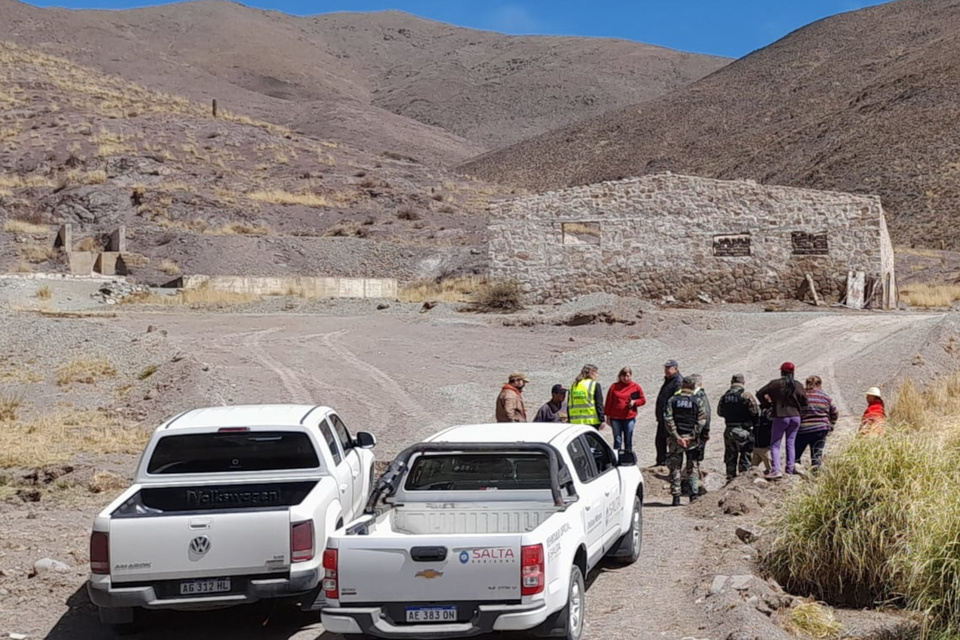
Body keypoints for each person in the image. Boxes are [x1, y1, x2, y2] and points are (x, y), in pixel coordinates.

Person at [756, 362, 808, 479]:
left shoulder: (775, 384)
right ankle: (789, 469)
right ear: (793, 372)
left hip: (780, 416)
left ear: (782, 372)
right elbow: (805, 401)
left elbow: (760, 393)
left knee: (775, 445)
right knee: (790, 443)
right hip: (795, 417)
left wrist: (767, 404)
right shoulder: (798, 385)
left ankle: (776, 470)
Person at [664, 376, 708, 506]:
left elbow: (668, 419)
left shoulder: (672, 400)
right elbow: (701, 421)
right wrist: (691, 437)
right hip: (691, 441)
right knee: (692, 467)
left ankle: (676, 497)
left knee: (675, 468)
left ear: (683, 385)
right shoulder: (697, 401)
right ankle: (693, 495)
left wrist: (676, 436)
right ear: (693, 386)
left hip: (675, 440)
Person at [717, 373, 760, 481]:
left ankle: (730, 478)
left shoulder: (725, 396)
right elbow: (755, 412)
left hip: (729, 429)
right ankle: (743, 481)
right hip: (743, 430)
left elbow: (720, 412)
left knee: (730, 456)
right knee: (745, 455)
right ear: (743, 383)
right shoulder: (746, 395)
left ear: (731, 382)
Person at [797, 375, 839, 471]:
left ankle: (796, 474)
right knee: (816, 455)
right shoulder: (825, 397)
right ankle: (815, 476)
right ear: (819, 384)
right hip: (820, 429)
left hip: (803, 429)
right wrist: (831, 424)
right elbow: (835, 412)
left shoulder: (801, 396)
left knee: (796, 454)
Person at [603, 366, 646, 452]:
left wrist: (634, 402)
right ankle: (617, 457)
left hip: (629, 417)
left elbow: (643, 400)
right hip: (615, 418)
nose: (626, 378)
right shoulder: (614, 387)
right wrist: (607, 417)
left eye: (628, 376)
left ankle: (628, 457)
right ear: (620, 376)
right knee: (617, 439)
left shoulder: (635, 387)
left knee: (628, 438)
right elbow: (608, 402)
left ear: (631, 376)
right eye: (624, 376)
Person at [655, 359, 683, 466]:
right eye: (665, 368)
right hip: (663, 418)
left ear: (675, 369)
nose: (666, 370)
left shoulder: (678, 381)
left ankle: (668, 463)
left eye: (669, 368)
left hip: (669, 418)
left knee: (668, 441)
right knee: (660, 441)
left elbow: (676, 400)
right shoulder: (669, 380)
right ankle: (661, 461)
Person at [569, 364, 605, 429]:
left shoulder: (573, 385)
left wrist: (569, 419)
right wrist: (602, 419)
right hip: (591, 421)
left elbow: (569, 404)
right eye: (596, 373)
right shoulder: (594, 385)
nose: (597, 375)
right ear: (591, 373)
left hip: (575, 421)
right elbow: (599, 403)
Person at [752, 408, 774, 473]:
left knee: (771, 469)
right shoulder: (755, 411)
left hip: (766, 446)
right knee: (752, 468)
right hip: (756, 446)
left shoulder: (770, 412)